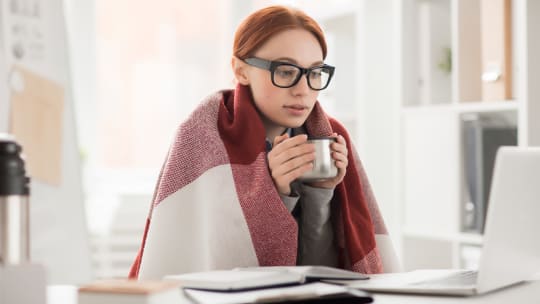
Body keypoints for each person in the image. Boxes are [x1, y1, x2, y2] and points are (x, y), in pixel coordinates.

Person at [129, 5, 399, 280]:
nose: (303, 89)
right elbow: (218, 270)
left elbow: (322, 272)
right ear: (241, 70)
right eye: (285, 71)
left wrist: (321, 191)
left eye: (315, 73)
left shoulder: (330, 136)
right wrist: (273, 194)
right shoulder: (202, 137)